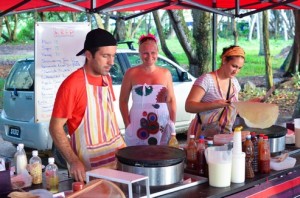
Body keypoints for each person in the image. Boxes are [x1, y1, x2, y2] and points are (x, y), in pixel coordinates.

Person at [49, 28, 126, 182]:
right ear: (89, 55)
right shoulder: (72, 84)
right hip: (90, 168)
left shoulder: (107, 79)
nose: (111, 62)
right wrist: (73, 161)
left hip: (116, 161)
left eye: (113, 56)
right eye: (105, 56)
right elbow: (55, 127)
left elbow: (108, 119)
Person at [119, 33, 176, 146]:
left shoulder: (166, 73)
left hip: (161, 124)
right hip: (137, 124)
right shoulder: (131, 73)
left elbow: (171, 100)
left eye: (153, 53)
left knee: (160, 157)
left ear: (157, 52)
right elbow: (123, 100)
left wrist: (172, 124)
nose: (149, 57)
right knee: (137, 158)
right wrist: (127, 124)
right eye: (145, 53)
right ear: (139, 53)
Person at [185, 45, 249, 139]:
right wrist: (214, 104)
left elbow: (234, 108)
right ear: (224, 60)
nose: (236, 71)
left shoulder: (234, 82)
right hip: (202, 137)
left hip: (224, 137)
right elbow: (189, 106)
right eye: (234, 66)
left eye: (239, 68)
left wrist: (250, 104)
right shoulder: (206, 80)